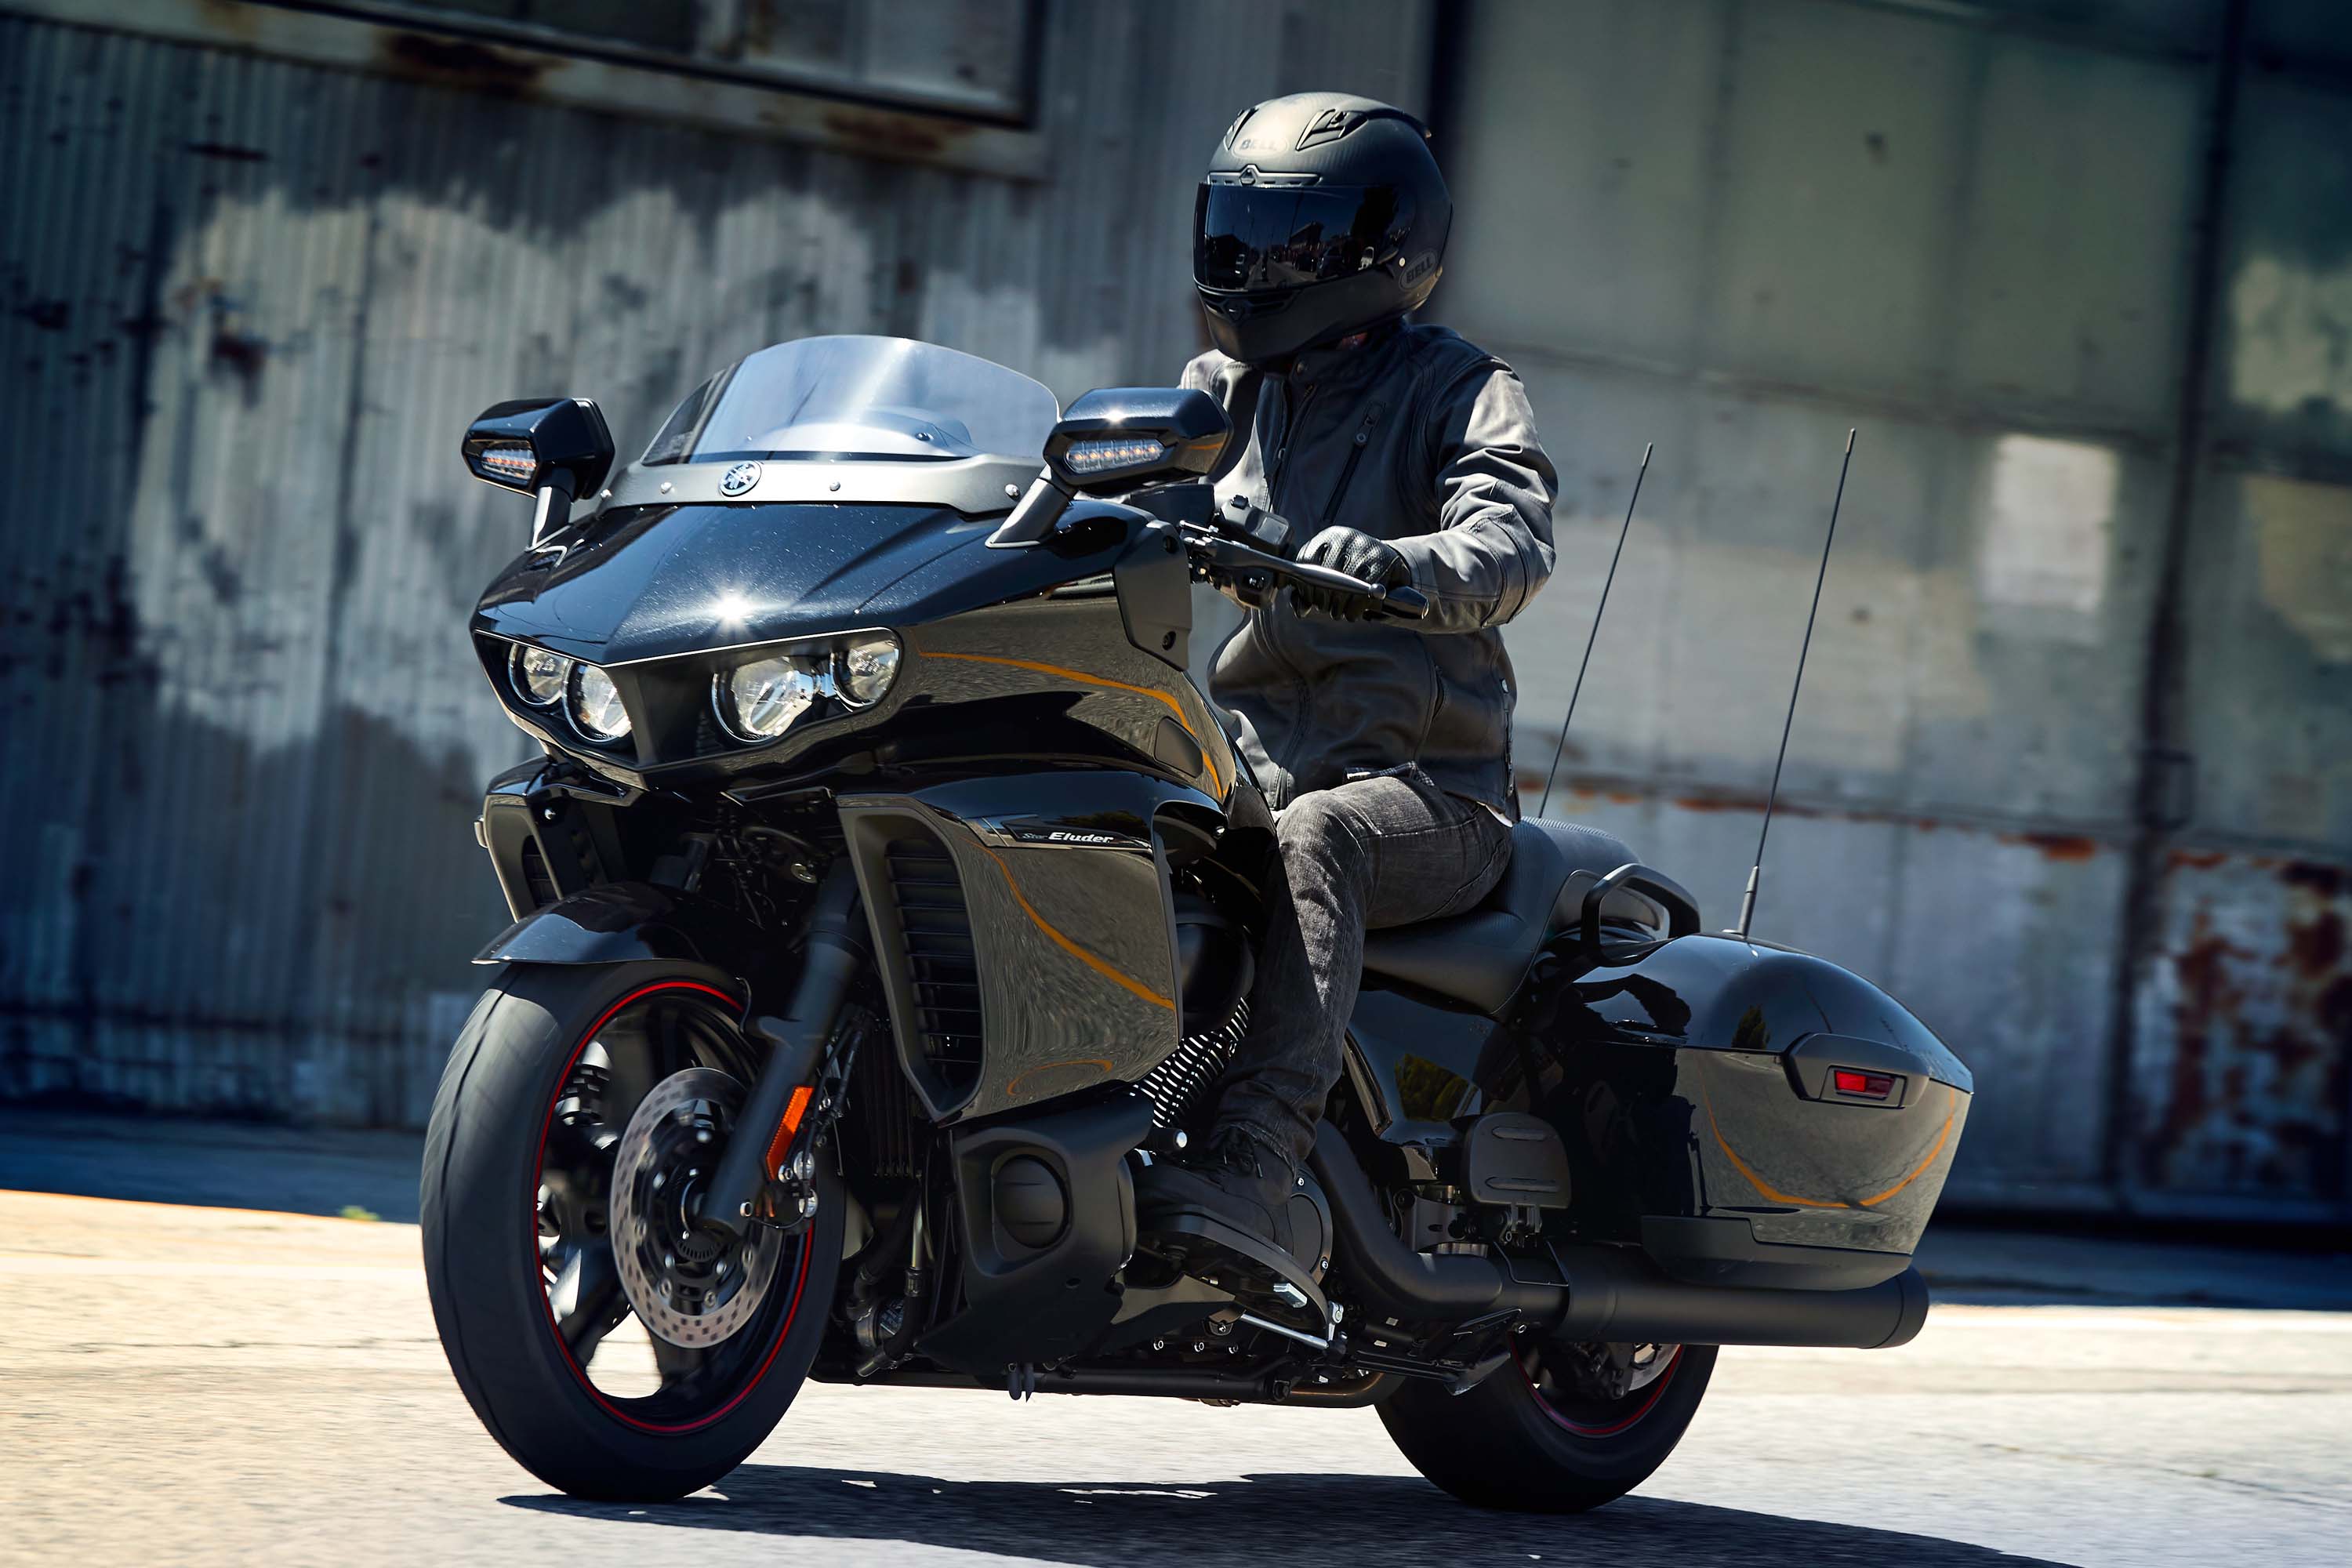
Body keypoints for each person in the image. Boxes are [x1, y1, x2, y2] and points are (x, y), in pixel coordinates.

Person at [1136, 93, 1558, 1263]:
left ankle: (1254, 1167)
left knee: (1318, 837)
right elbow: (1115, 489)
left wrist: (1403, 564)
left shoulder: (1461, 388)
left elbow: (1512, 538)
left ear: (1387, 246)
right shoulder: (1221, 390)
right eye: (1238, 237)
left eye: (1291, 243)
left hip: (1432, 797)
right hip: (1249, 767)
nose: (1253, 268)